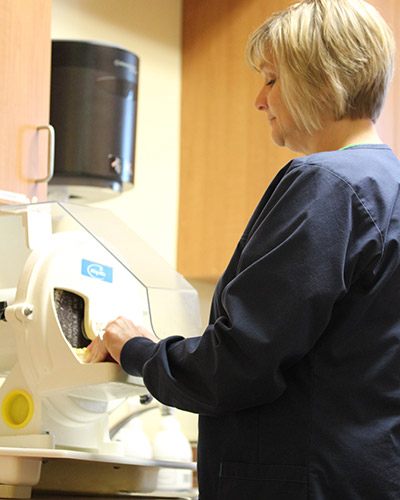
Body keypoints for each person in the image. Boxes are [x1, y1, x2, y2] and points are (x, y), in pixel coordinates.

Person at [86, 0, 400, 498]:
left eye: (271, 79)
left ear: (322, 79)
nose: (259, 99)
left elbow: (236, 366)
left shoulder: (327, 185)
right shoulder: (388, 186)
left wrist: (138, 351)